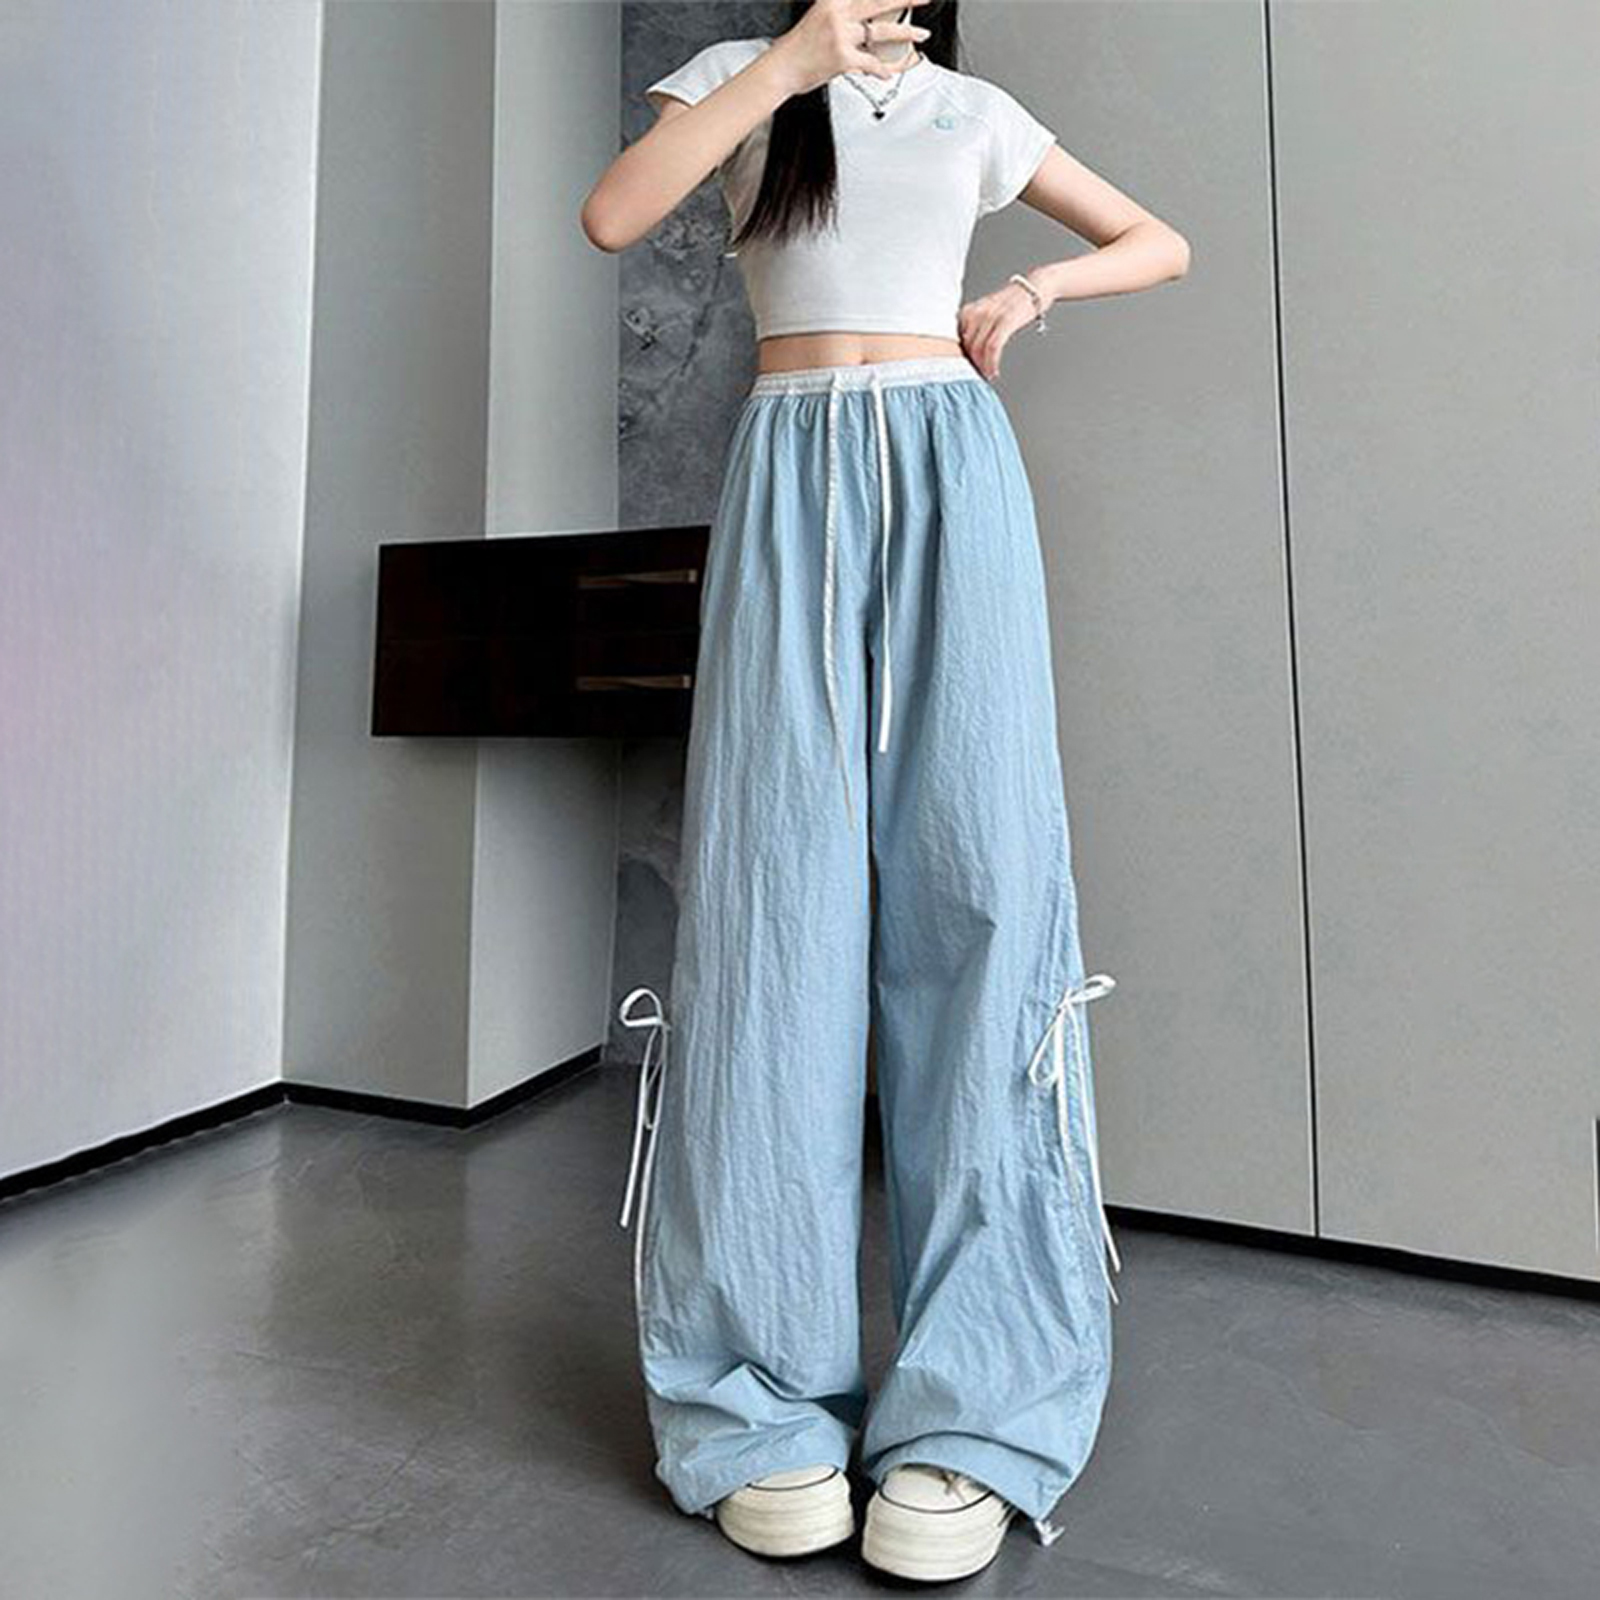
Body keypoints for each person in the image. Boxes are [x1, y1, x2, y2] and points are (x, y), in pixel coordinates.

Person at [581, 0, 1189, 1581]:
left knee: (980, 890)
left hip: (950, 464)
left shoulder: (973, 115)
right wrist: (789, 62)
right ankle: (755, 1396)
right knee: (771, 912)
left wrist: (1034, 286)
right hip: (788, 468)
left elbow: (1159, 242)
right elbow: (617, 215)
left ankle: (977, 1409)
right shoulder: (739, 82)